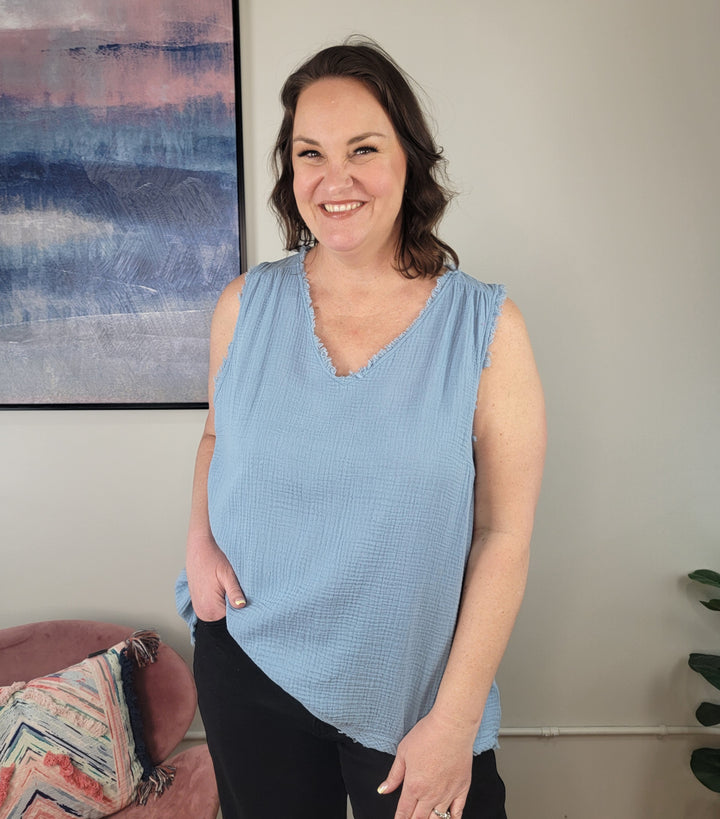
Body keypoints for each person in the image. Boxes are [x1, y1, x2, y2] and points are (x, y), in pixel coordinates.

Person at [176, 37, 545, 819]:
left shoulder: (487, 327)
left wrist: (453, 721)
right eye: (311, 152)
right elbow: (217, 439)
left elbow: (505, 533)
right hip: (249, 659)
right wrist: (198, 542)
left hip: (414, 692)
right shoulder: (244, 305)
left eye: (363, 149)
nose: (333, 179)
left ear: (408, 159)